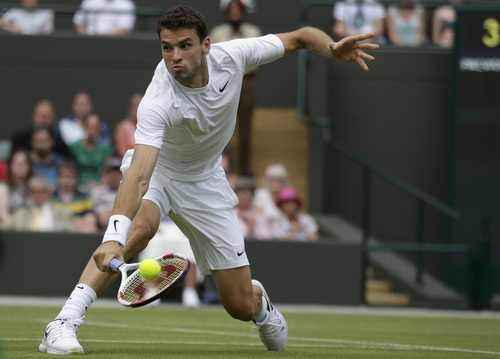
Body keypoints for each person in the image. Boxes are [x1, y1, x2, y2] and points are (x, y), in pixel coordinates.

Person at [39, 5, 379, 355]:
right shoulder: (158, 100)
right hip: (162, 171)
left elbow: (301, 36)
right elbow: (139, 174)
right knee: (139, 227)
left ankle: (259, 302)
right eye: (167, 47)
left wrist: (333, 48)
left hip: (206, 181)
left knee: (239, 305)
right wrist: (114, 236)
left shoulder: (235, 55)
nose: (175, 56)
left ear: (206, 45)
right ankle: (63, 322)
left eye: (185, 45)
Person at [210, 0, 262, 175]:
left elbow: (257, 60)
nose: (235, 15)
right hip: (222, 84)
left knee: (246, 128)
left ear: (243, 13)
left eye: (238, 12)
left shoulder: (253, 32)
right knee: (222, 126)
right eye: (232, 12)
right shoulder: (217, 33)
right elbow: (212, 59)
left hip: (246, 82)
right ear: (226, 13)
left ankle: (245, 168)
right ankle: (224, 167)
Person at [4, 175, 74, 232]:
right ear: (30, 194)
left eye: (42, 192)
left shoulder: (62, 213)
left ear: (48, 194)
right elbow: (4, 229)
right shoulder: (20, 214)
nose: (38, 195)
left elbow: (72, 230)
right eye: (35, 192)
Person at [69, 113, 113, 189]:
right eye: (90, 126)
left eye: (96, 127)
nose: (93, 129)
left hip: (99, 185)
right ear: (85, 127)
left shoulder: (105, 148)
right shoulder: (74, 147)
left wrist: (98, 184)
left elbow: (107, 172)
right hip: (77, 185)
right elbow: (70, 169)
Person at [52, 161, 98, 233]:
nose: (67, 180)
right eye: (63, 176)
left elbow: (91, 223)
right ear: (57, 177)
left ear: (76, 178)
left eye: (70, 176)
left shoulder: (85, 199)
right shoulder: (49, 197)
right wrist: (77, 221)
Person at [90, 156, 122, 230]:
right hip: (104, 232)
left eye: (117, 173)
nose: (115, 176)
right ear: (106, 174)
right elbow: (103, 220)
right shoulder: (97, 192)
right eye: (112, 173)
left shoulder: (128, 193)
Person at [0, 148, 33, 220]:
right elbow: (3, 214)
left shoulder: (35, 186)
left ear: (29, 166)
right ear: (10, 165)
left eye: (24, 162)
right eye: (16, 162)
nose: (20, 166)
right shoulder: (3, 187)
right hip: (11, 228)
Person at [112, 93, 142, 159]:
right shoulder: (122, 127)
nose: (136, 110)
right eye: (134, 107)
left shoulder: (146, 128)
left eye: (139, 107)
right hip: (128, 162)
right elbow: (121, 151)